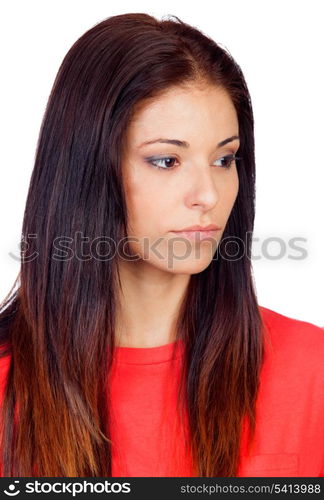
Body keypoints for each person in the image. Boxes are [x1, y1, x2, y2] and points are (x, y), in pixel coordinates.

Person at [0, 12, 323, 478]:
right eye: (167, 160)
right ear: (87, 168)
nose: (208, 195)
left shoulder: (311, 370)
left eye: (224, 159)